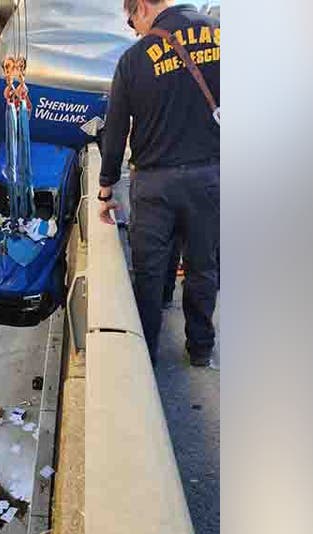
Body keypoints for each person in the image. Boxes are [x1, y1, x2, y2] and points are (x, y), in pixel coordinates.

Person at [98, 0, 219, 367]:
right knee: (203, 266)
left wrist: (105, 189)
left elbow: (115, 129)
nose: (135, 29)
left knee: (148, 273)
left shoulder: (134, 60)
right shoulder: (221, 35)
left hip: (154, 185)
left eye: (132, 18)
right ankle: (200, 348)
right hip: (210, 177)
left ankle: (144, 357)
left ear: (144, 6)